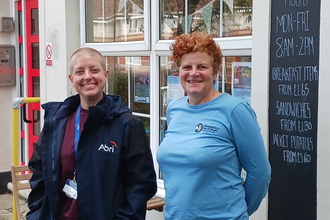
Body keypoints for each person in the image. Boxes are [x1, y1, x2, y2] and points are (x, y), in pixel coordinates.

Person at [27, 47, 157, 220]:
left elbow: (141, 184)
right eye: (80, 71)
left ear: (106, 74)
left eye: (94, 70)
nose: (87, 76)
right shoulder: (57, 120)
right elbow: (39, 170)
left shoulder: (127, 124)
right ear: (71, 79)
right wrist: (37, 213)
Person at [156, 31, 271, 220]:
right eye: (187, 67)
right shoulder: (174, 110)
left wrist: (238, 213)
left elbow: (260, 173)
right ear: (179, 72)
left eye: (202, 66)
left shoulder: (234, 110)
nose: (194, 73)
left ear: (215, 71)